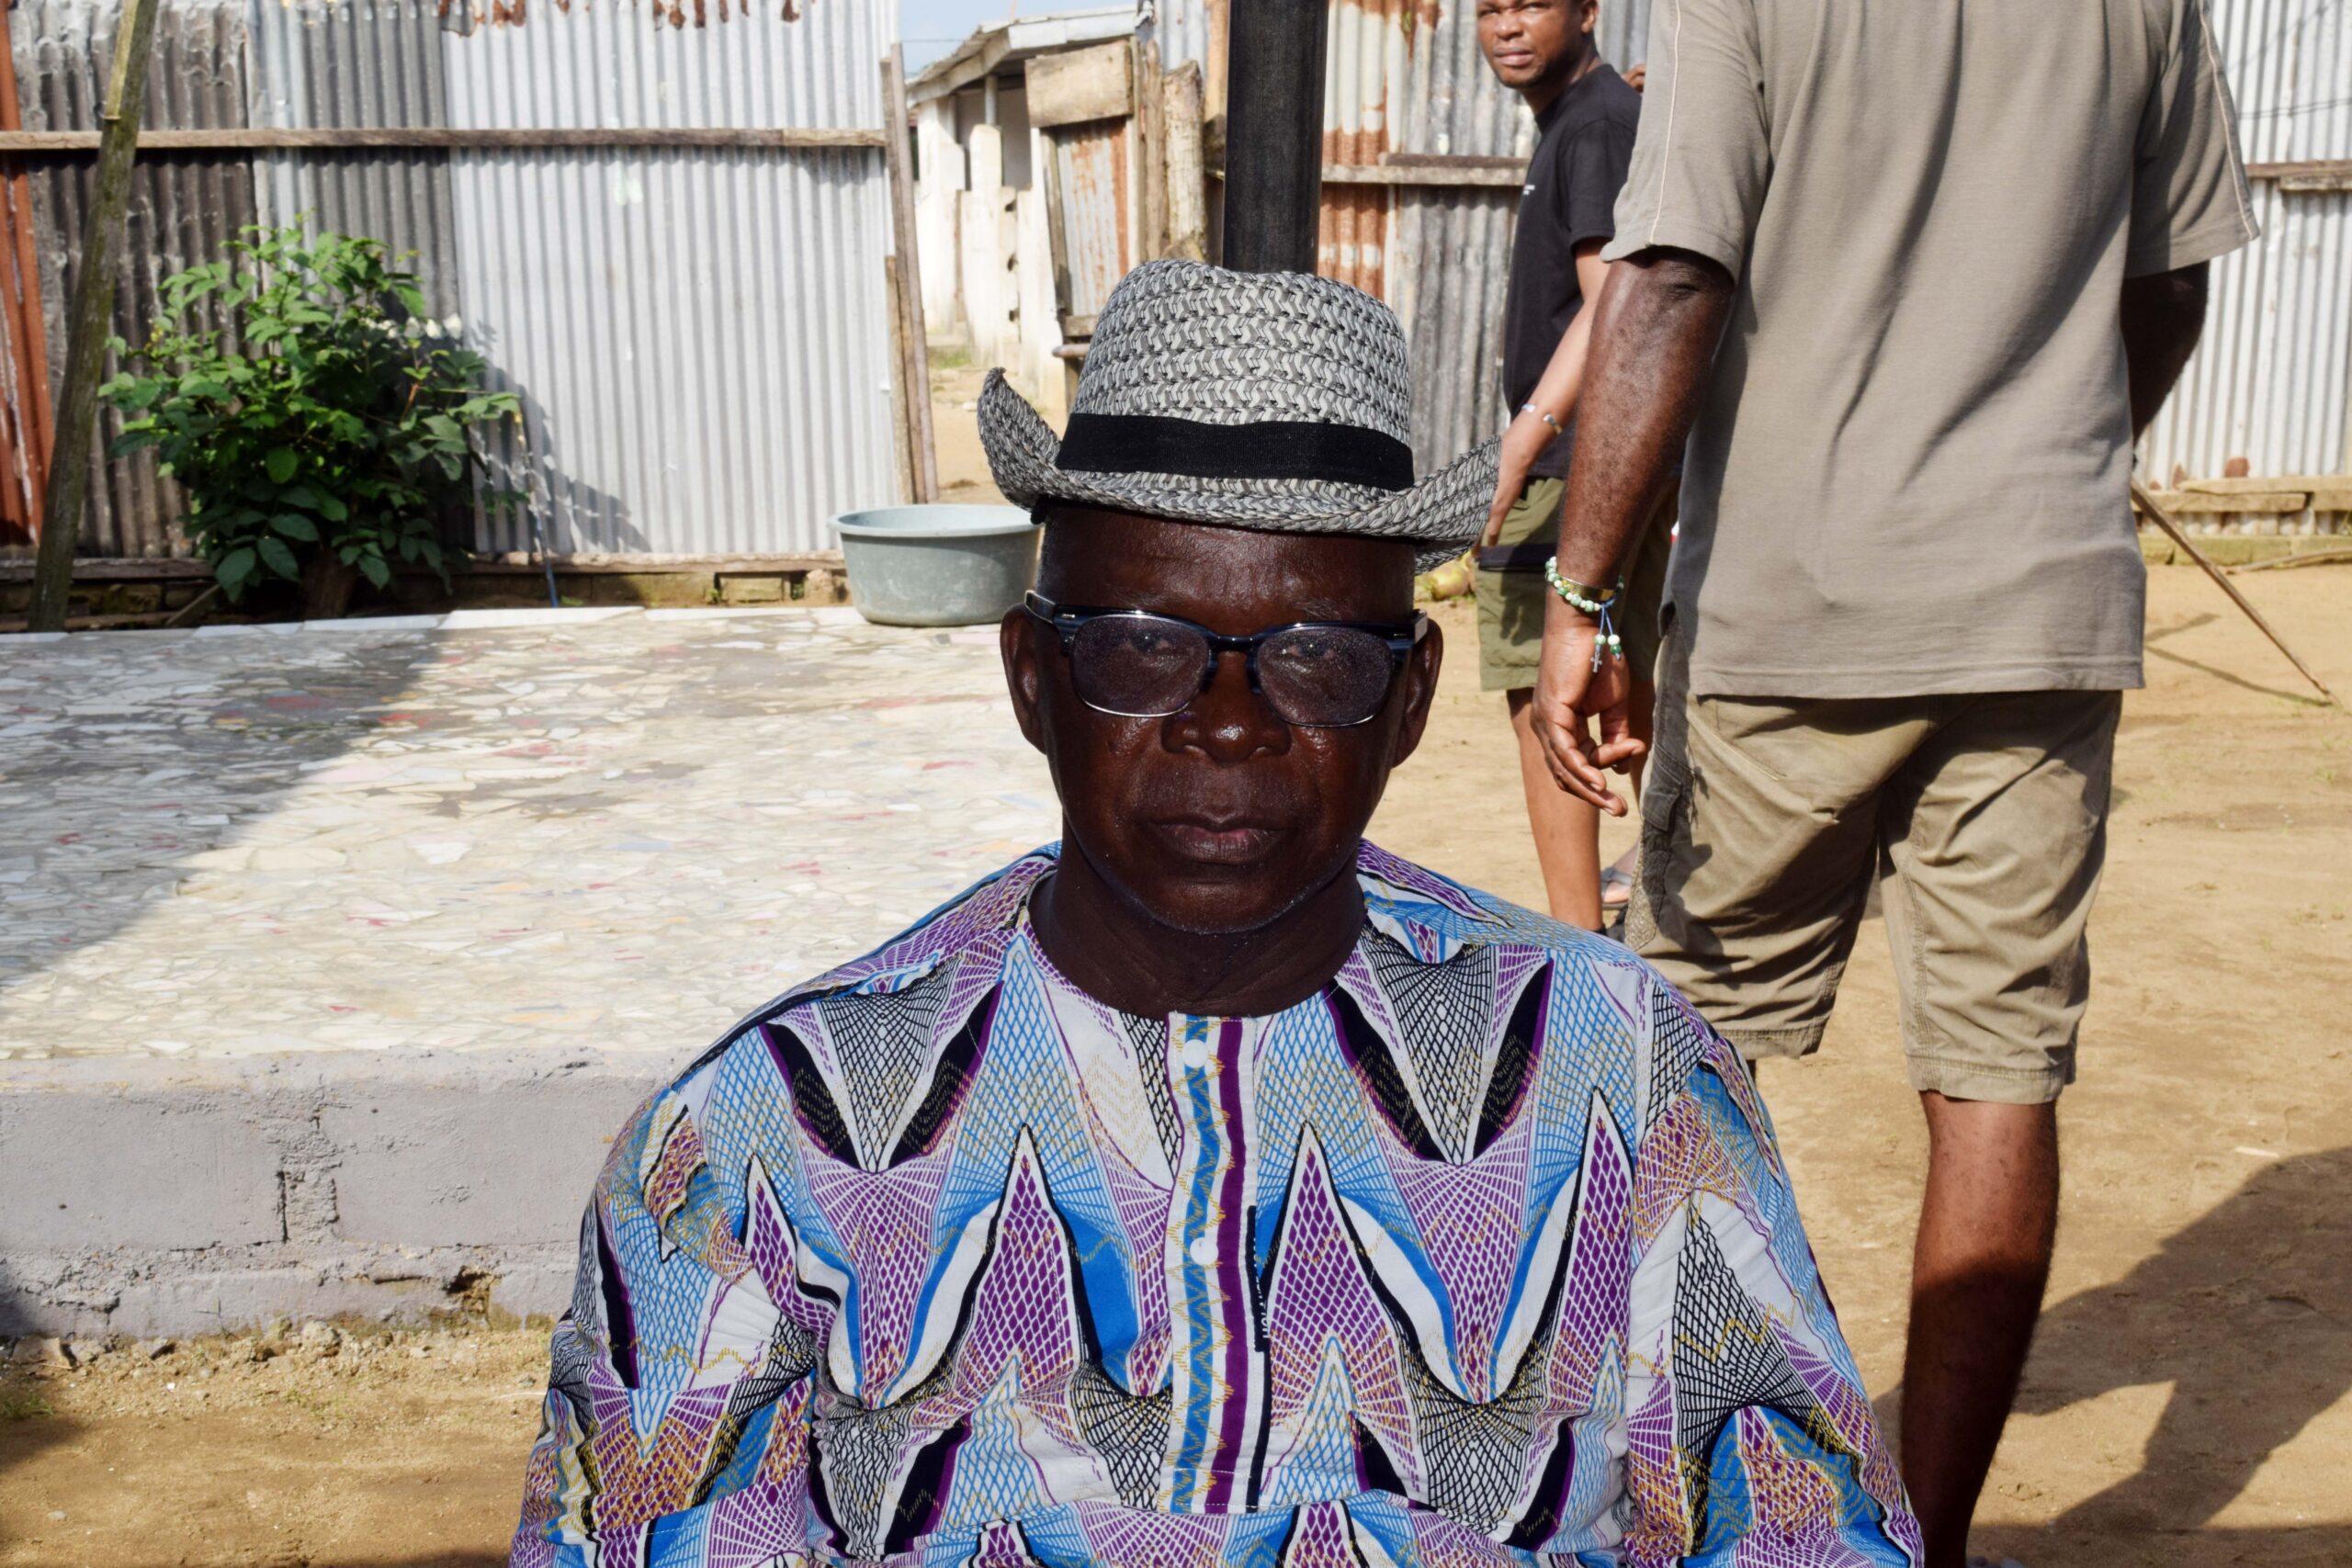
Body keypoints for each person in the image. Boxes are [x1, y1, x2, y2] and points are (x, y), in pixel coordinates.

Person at [509, 262, 1918, 1567]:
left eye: (1315, 656)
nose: (1228, 723)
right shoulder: (756, 1138)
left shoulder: (1624, 1074)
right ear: (1032, 676)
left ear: (1410, 699)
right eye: (1143, 647)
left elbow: (1806, 1533)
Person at [1522, 2, 2255, 1563]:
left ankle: (1684, 1516)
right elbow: (2172, 280)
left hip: (1794, 608)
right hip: (2038, 605)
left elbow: (1673, 275)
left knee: (1688, 1061)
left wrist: (1583, 590)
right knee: (1998, 1071)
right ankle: (1927, 1542)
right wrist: (2045, 468)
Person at [1470, 0, 1657, 931]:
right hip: (1587, 456)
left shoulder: (1593, 127)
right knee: (1603, 687)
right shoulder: (1582, 122)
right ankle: (1612, 919)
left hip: (1576, 464)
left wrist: (1528, 431)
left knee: (1549, 696)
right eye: (1489, 9)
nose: (1507, 26)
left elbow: (1613, 305)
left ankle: (1580, 944)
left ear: (1587, 12)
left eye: (1530, 4)